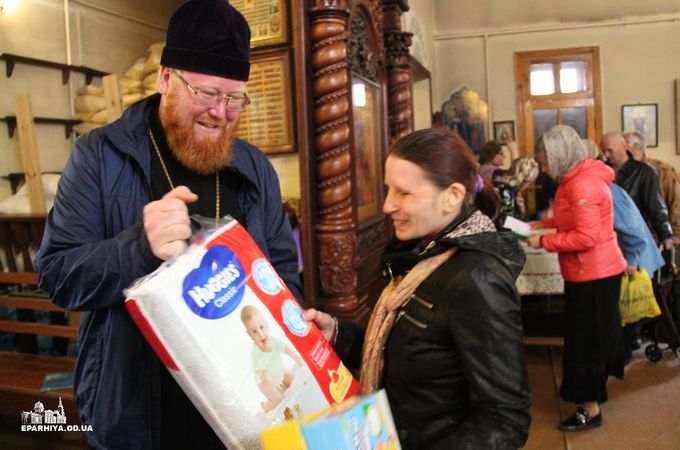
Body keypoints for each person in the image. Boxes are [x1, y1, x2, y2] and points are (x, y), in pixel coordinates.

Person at [35, 1, 302, 448]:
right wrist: (140, 247)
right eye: (206, 93)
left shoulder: (256, 170)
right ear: (165, 80)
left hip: (241, 406)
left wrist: (296, 330)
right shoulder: (99, 157)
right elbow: (58, 276)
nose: (220, 112)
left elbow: (282, 277)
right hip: (138, 409)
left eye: (234, 98)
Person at [304, 128, 532, 449]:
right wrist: (339, 335)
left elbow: (504, 419)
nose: (387, 206)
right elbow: (407, 356)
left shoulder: (476, 278)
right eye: (388, 191)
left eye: (404, 193)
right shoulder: (422, 254)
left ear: (452, 197)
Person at [527, 125, 627, 432]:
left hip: (593, 274)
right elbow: (571, 217)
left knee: (585, 344)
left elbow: (585, 236)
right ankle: (595, 393)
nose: (544, 167)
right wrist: (542, 223)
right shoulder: (576, 179)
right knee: (592, 338)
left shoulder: (582, 184)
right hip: (592, 272)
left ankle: (589, 410)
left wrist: (543, 242)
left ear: (560, 156)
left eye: (546, 160)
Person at [240, 305, 302, 413]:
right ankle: (263, 409)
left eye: (261, 327)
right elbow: (260, 374)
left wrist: (301, 363)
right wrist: (267, 379)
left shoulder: (273, 341)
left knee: (295, 378)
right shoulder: (256, 352)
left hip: (278, 372)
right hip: (266, 382)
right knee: (278, 400)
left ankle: (282, 387)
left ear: (266, 325)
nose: (260, 334)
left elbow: (288, 350)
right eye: (254, 331)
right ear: (250, 335)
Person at [624, 130, 680, 246]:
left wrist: (676, 234)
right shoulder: (621, 170)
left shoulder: (663, 170)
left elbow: (676, 202)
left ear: (636, 147)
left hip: (657, 238)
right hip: (630, 238)